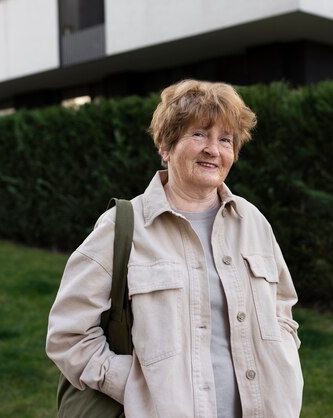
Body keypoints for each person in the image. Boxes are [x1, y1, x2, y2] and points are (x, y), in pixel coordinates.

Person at [46, 79, 303, 417]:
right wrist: (137, 387)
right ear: (165, 146)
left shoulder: (253, 222)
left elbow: (282, 310)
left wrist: (283, 361)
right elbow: (68, 332)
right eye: (199, 135)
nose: (213, 149)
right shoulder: (122, 227)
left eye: (225, 139)